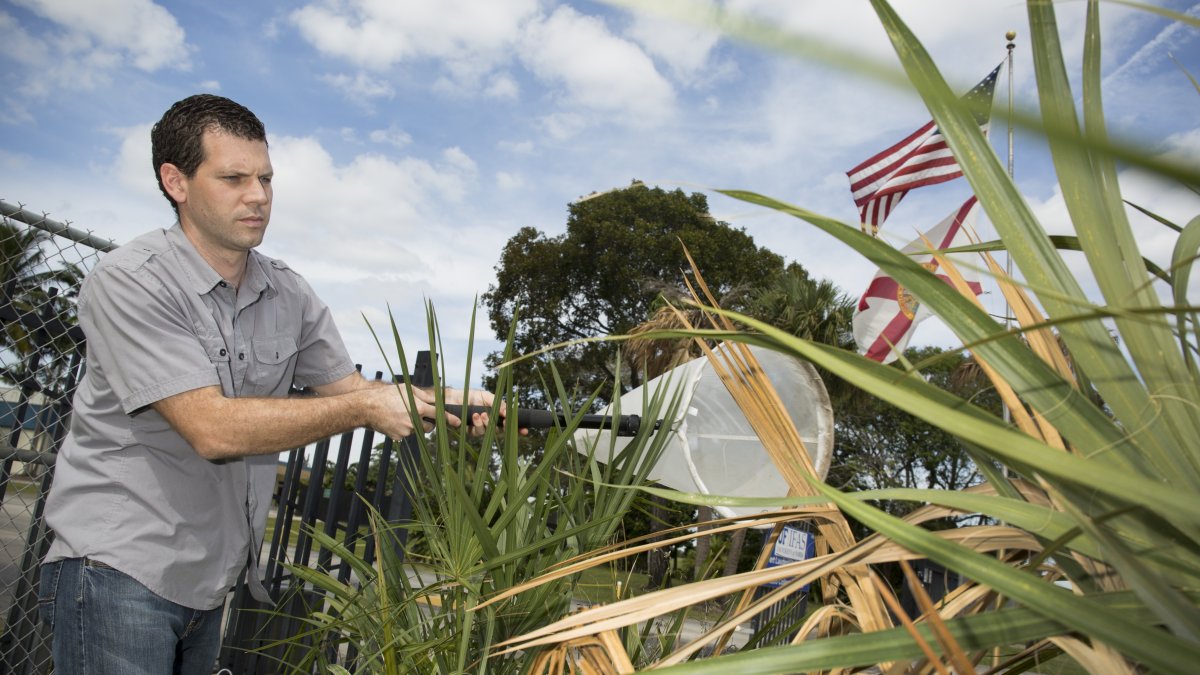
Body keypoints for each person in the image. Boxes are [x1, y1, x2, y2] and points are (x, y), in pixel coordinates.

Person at [38, 93, 495, 674]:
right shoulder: (132, 281)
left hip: (210, 581)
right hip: (117, 570)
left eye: (266, 179)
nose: (258, 196)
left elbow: (351, 390)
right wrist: (369, 408)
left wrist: (447, 403)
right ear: (176, 181)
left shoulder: (288, 292)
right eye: (233, 178)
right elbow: (212, 429)